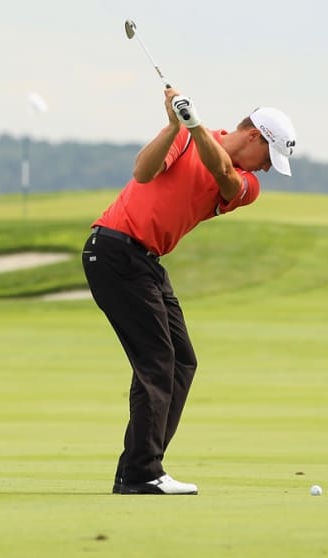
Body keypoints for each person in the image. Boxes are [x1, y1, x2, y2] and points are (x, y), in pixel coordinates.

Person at [82, 87, 297, 495]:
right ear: (254, 136)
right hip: (113, 250)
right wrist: (172, 126)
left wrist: (193, 125)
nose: (267, 169)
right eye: (269, 158)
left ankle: (139, 468)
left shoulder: (247, 184)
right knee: (157, 361)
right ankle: (142, 473)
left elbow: (223, 175)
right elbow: (142, 172)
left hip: (145, 262)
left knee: (181, 361)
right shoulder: (182, 137)